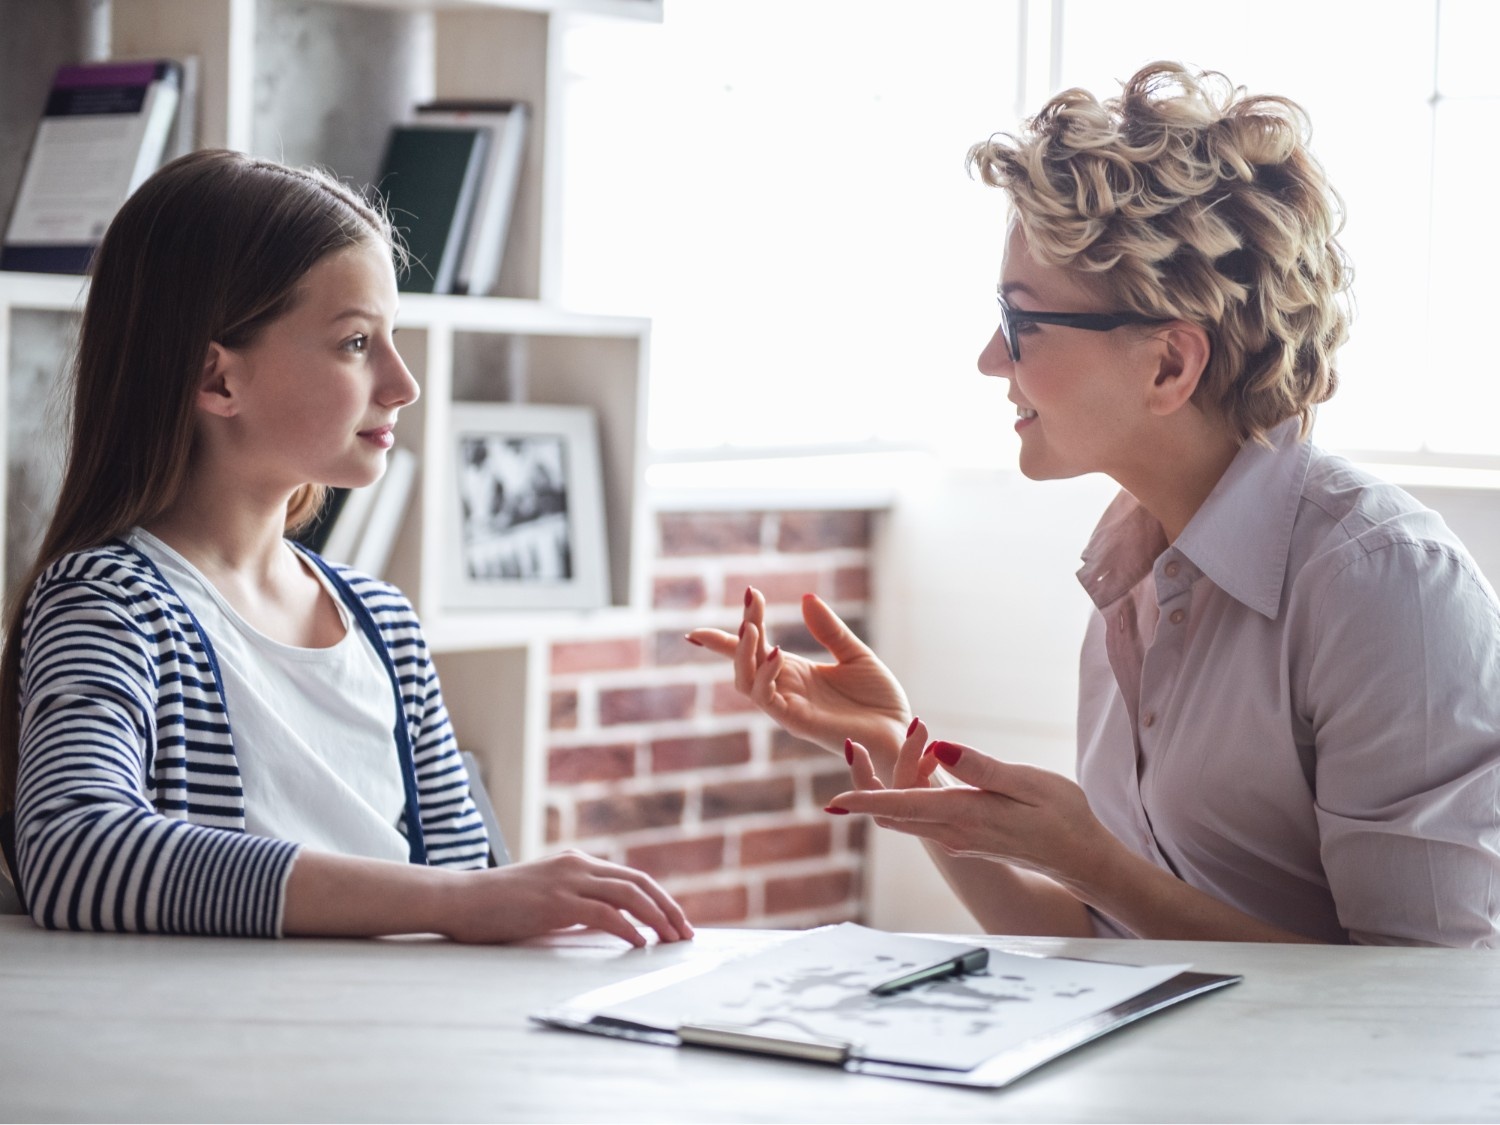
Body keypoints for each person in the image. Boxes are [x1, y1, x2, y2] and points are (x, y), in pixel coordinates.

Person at [690, 62, 1500, 948]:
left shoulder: (1387, 589)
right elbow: (1100, 933)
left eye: (1021, 321)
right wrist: (896, 749)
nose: (991, 361)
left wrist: (1096, 863)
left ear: (1168, 365)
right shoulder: (1131, 571)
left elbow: (1421, 999)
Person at [0, 149, 692, 948]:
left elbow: (467, 884)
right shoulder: (108, 602)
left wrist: (476, 901)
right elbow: (76, 850)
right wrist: (451, 903)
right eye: (356, 343)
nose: (404, 382)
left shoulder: (385, 625)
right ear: (216, 379)